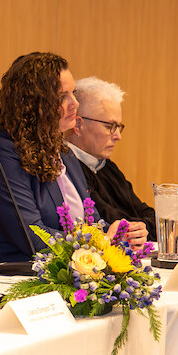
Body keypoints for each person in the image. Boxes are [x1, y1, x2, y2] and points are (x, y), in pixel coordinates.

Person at [0, 52, 139, 265]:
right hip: (10, 282)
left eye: (73, 93)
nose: (74, 103)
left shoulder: (64, 154)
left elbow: (92, 221)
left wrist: (119, 234)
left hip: (62, 275)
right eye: (62, 97)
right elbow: (34, 238)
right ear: (34, 104)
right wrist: (99, 244)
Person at [66, 76, 155, 241]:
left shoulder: (107, 167)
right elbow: (107, 220)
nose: (118, 136)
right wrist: (143, 227)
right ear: (78, 125)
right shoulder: (67, 170)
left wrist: (144, 228)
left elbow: (145, 212)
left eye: (119, 127)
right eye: (109, 126)